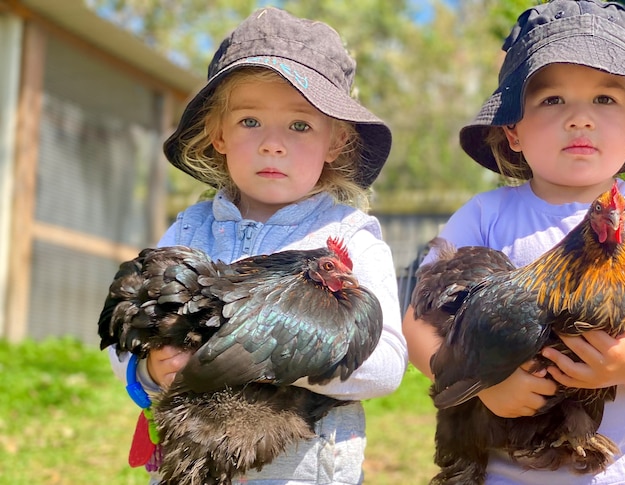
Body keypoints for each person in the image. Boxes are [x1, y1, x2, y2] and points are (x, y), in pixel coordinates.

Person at [402, 1, 625, 484]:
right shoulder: (485, 215)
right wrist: (484, 385)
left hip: (624, 472)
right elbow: (421, 321)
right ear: (513, 130)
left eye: (605, 100)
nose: (580, 119)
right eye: (552, 101)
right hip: (499, 471)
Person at [107, 7, 407, 484]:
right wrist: (148, 368)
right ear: (217, 134)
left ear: (336, 142)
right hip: (191, 462)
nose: (273, 144)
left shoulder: (349, 236)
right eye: (250, 121)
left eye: (300, 125)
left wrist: (265, 351)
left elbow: (386, 365)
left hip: (303, 472)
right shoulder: (189, 229)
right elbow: (129, 324)